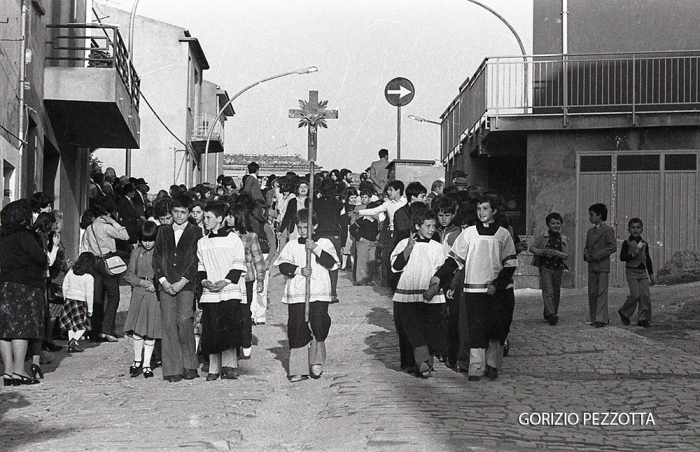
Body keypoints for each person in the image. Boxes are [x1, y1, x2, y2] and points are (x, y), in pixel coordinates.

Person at [430, 196, 518, 381]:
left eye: (485, 209)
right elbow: (454, 260)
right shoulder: (469, 234)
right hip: (473, 290)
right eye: (479, 209)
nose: (481, 213)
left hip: (497, 290)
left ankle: (493, 365)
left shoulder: (503, 234)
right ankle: (476, 367)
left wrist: (497, 284)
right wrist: (439, 277)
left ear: (493, 211)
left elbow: (510, 264)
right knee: (475, 329)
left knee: (496, 329)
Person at [274, 209, 339, 382]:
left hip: (318, 291)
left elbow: (332, 263)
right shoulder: (292, 245)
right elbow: (282, 265)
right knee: (297, 326)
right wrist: (298, 270)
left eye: (306, 227)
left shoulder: (325, 243)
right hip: (298, 292)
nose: (302, 231)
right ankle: (298, 367)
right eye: (300, 227)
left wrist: (315, 249)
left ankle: (316, 360)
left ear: (315, 226)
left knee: (319, 322)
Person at [153, 194, 203, 382]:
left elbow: (195, 259)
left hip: (186, 284)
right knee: (168, 324)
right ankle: (172, 368)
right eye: (176, 212)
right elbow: (157, 258)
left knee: (184, 321)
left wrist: (183, 281)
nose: (179, 216)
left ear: (189, 213)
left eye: (183, 212)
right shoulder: (163, 231)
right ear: (171, 212)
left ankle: (190, 364)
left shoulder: (195, 231)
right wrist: (164, 281)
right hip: (166, 284)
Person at [391, 208, 446, 378]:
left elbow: (440, 270)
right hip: (408, 294)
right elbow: (396, 266)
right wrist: (408, 248)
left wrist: (434, 287)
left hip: (430, 294)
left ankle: (424, 363)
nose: (431, 229)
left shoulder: (437, 247)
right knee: (412, 329)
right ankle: (420, 362)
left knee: (430, 329)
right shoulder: (403, 244)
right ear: (417, 226)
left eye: (433, 226)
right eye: (428, 226)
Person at [197, 201, 247, 381]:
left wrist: (224, 282)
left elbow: (238, 264)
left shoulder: (234, 240)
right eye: (204, 218)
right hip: (210, 292)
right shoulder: (202, 242)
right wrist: (204, 281)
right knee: (211, 330)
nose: (205, 221)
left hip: (229, 290)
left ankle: (230, 365)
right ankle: (213, 366)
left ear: (219, 219)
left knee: (230, 328)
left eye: (208, 218)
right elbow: (201, 265)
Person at [0, 199, 46, 386]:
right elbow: (40, 258)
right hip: (25, 285)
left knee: (4, 330)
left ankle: (8, 371)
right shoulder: (25, 235)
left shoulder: (2, 236)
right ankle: (20, 370)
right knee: (21, 328)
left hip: (4, 285)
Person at [82, 198, 130, 342]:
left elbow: (85, 245)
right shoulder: (105, 227)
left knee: (98, 297)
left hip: (94, 262)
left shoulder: (89, 227)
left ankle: (96, 331)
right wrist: (113, 222)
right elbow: (125, 236)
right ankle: (107, 330)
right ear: (107, 213)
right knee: (113, 295)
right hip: (108, 261)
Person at [122, 222, 161, 379]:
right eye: (144, 240)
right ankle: (137, 360)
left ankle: (147, 364)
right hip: (139, 291)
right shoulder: (136, 252)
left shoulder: (159, 252)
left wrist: (156, 284)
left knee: (150, 328)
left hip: (153, 293)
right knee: (138, 328)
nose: (147, 243)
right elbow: (129, 274)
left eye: (150, 240)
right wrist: (140, 282)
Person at [226, 204, 265, 359]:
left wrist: (260, 278)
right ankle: (232, 345)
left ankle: (246, 342)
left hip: (246, 278)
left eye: (231, 216)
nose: (228, 219)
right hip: (229, 278)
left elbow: (258, 258)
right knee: (230, 312)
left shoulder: (250, 236)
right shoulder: (225, 235)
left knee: (244, 311)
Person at [529, 212, 570, 326]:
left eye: (558, 223)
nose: (556, 225)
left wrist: (556, 253)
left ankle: (551, 312)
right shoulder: (543, 236)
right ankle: (551, 314)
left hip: (557, 268)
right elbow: (532, 247)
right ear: (548, 224)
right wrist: (542, 252)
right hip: (545, 267)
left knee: (556, 291)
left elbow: (566, 255)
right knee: (548, 290)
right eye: (553, 223)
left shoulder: (562, 238)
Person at [584, 203, 617, 328]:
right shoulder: (589, 231)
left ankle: (601, 318)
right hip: (592, 265)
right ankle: (594, 317)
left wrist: (598, 255)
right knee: (592, 292)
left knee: (601, 291)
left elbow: (612, 247)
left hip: (602, 265)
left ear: (599, 216)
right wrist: (586, 254)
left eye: (591, 215)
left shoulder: (608, 230)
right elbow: (587, 246)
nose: (589, 217)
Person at [618, 217, 655, 328]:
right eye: (633, 227)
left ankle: (642, 319)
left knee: (645, 295)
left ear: (642, 230)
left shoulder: (644, 243)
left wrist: (651, 274)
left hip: (642, 272)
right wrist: (633, 254)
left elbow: (647, 259)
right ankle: (624, 312)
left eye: (638, 227)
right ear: (629, 230)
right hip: (631, 271)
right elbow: (622, 257)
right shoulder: (627, 243)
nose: (635, 230)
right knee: (635, 295)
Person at [58, 252, 96, 353]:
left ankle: (71, 343)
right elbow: (89, 294)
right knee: (83, 326)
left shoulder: (71, 272)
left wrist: (66, 298)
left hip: (69, 300)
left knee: (71, 325)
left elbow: (65, 285)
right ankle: (74, 341)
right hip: (80, 302)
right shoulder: (89, 277)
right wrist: (90, 309)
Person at [349, 200, 381, 285]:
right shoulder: (361, 220)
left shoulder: (375, 221)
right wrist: (359, 238)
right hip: (363, 242)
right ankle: (360, 280)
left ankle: (368, 279)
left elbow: (375, 231)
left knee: (372, 261)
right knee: (361, 261)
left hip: (373, 243)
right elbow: (352, 229)